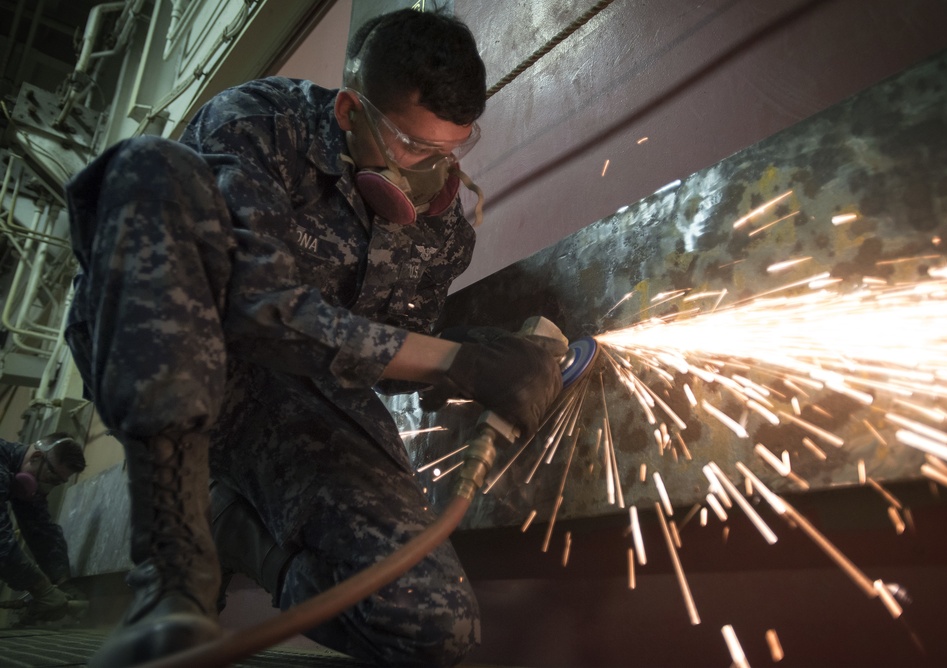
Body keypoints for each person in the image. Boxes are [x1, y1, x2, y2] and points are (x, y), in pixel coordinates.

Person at [63, 8, 563, 667]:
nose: (433, 169)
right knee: (151, 166)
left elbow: (380, 350)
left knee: (432, 622)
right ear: (352, 112)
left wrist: (472, 361)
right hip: (179, 354)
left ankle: (238, 532)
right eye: (412, 146)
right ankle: (174, 567)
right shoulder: (257, 124)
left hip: (298, 400)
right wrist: (452, 361)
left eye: (452, 149)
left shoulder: (444, 234)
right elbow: (255, 306)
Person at [0, 433, 87, 623]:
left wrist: (63, 582)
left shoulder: (25, 475)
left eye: (58, 483)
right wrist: (42, 588)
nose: (48, 489)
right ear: (37, 458)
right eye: (51, 479)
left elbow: (41, 529)